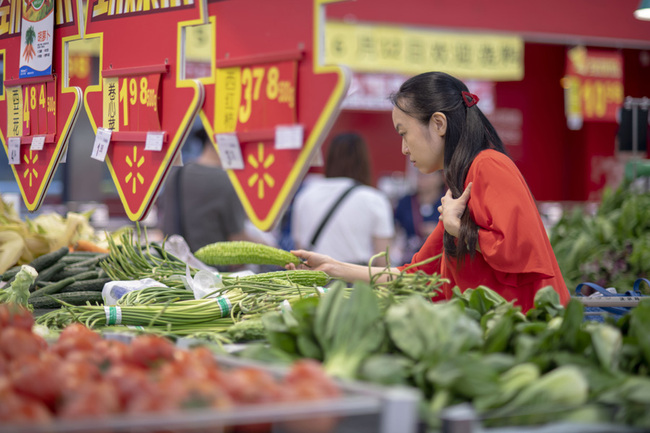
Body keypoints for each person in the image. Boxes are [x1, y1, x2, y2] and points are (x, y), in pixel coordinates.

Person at [287, 72, 570, 312]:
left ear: (438, 123)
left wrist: (458, 229)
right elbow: (414, 275)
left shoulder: (489, 165)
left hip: (531, 330)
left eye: (403, 133)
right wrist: (333, 267)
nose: (403, 148)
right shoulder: (463, 181)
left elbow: (517, 251)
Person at [291, 132, 395, 266]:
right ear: (363, 161)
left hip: (314, 280)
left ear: (330, 159)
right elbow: (383, 261)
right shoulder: (374, 199)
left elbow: (300, 253)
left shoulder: (305, 196)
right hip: (356, 281)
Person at [157, 128, 253, 253]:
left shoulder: (175, 175)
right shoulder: (227, 181)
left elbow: (162, 224)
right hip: (213, 269)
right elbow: (238, 241)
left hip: (174, 264)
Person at [394, 170, 445, 263]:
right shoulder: (405, 202)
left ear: (440, 178)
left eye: (427, 175)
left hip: (439, 257)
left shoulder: (448, 201)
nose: (422, 179)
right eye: (419, 175)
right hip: (409, 257)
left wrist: (438, 230)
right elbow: (395, 229)